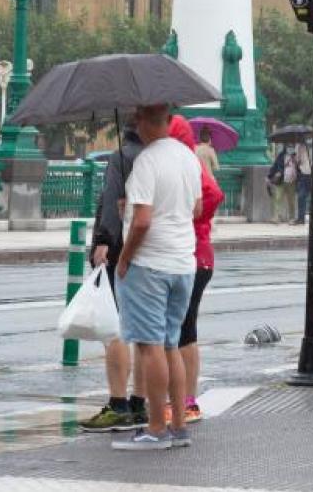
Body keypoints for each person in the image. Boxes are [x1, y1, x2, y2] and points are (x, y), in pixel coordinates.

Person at [111, 104, 203, 451]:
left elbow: (144, 220)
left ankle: (155, 427)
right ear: (167, 121)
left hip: (150, 264)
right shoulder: (186, 156)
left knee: (150, 349)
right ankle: (178, 425)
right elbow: (195, 208)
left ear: (141, 123)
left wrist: (125, 257)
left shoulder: (146, 162)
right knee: (171, 346)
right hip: (183, 263)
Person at [80, 122, 149, 433]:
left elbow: (110, 201)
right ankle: (139, 403)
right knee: (146, 333)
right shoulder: (160, 157)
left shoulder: (121, 157)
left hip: (123, 248)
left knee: (115, 327)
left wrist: (103, 240)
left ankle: (118, 403)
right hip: (156, 252)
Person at [167, 116, 225, 424]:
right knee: (183, 331)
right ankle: (183, 398)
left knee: (183, 332)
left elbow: (213, 195)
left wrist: (196, 217)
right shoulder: (185, 162)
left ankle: (187, 401)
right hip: (196, 256)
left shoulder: (186, 162)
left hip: (194, 255)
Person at [294, 140, 313, 225]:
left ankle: (301, 218)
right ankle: (302, 217)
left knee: (301, 197)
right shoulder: (311, 146)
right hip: (311, 174)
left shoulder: (299, 146)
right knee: (305, 196)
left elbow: (297, 160)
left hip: (303, 173)